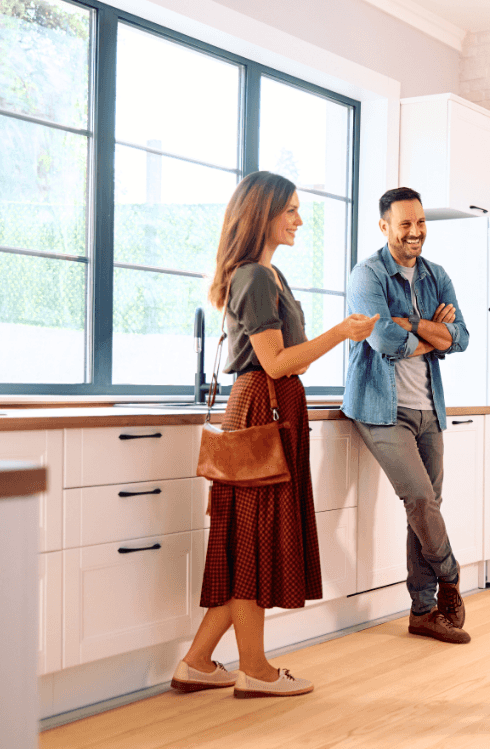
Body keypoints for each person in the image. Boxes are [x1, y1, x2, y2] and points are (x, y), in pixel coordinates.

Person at [171, 171, 378, 698]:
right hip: (264, 409)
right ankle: (256, 670)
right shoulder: (258, 278)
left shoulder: (264, 274)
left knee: (245, 541)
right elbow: (276, 361)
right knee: (252, 543)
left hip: (264, 408)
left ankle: (196, 663)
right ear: (262, 213)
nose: (299, 220)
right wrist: (344, 332)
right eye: (290, 210)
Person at [342, 187, 472, 644]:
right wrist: (433, 334)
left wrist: (414, 323)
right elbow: (383, 342)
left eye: (420, 223)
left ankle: (423, 611)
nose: (415, 232)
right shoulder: (368, 275)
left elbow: (462, 338)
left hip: (429, 407)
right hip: (381, 408)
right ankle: (452, 576)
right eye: (405, 224)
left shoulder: (436, 275)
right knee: (419, 499)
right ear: (385, 227)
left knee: (425, 509)